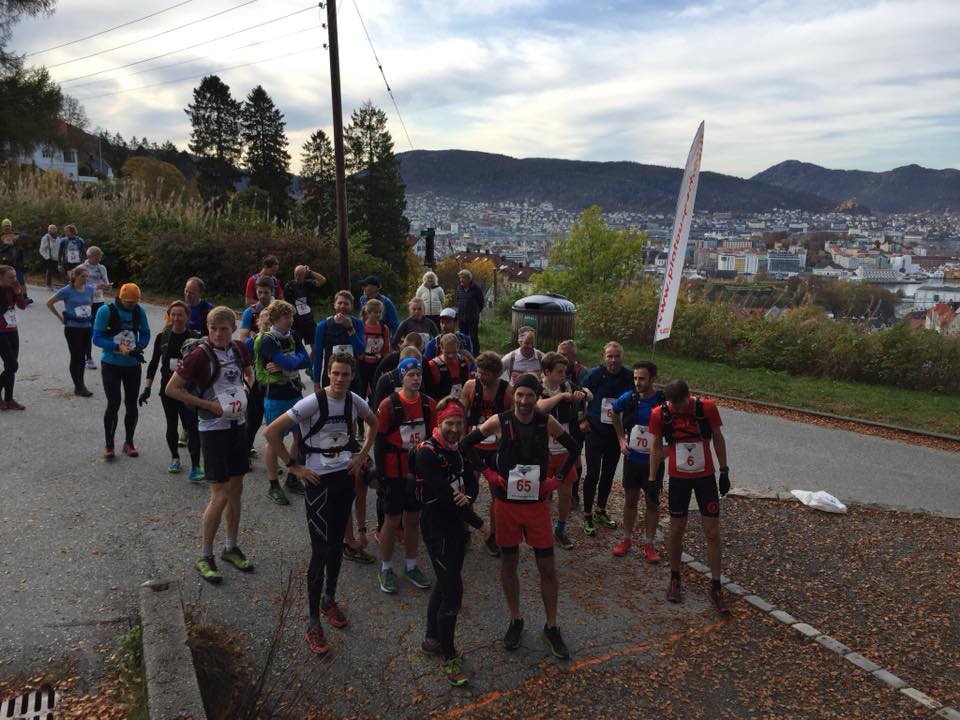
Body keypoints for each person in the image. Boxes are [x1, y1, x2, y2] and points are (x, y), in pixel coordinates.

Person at [264, 352, 378, 655]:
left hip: (344, 478)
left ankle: (329, 599)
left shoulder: (354, 400)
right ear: (328, 373)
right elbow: (271, 432)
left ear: (352, 376)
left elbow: (374, 422)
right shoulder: (312, 403)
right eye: (336, 373)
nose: (340, 379)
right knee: (320, 550)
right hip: (318, 483)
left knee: (337, 544)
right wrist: (294, 467)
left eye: (346, 374)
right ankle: (313, 621)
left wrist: (362, 454)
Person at [461, 373, 580, 660]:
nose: (524, 401)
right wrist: (489, 474)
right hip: (507, 505)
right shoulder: (499, 421)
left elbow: (574, 447)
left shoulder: (545, 421)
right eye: (520, 395)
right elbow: (466, 444)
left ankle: (551, 626)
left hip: (536, 505)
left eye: (529, 396)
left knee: (547, 567)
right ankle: (515, 619)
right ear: (513, 395)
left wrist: (556, 480)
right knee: (509, 562)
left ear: (537, 398)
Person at [165, 306, 256, 585]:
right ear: (207, 328)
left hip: (237, 425)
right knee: (220, 494)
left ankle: (231, 547)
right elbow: (172, 389)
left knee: (237, 489)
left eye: (223, 329)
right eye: (213, 329)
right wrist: (208, 405)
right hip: (213, 429)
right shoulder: (198, 355)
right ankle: (205, 555)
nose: (218, 334)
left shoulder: (240, 348)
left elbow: (249, 373)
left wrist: (246, 390)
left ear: (233, 329)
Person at [415, 397, 487, 686]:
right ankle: (447, 654)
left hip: (456, 526)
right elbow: (445, 497)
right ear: (439, 422)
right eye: (450, 423)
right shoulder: (427, 453)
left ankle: (431, 638)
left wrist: (467, 497)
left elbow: (472, 482)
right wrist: (481, 524)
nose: (455, 429)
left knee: (446, 583)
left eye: (459, 423)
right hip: (437, 528)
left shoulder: (460, 448)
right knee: (453, 593)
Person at [648, 379, 730, 616]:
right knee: (676, 530)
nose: (678, 408)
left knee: (712, 532)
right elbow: (656, 446)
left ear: (689, 396)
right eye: (674, 405)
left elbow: (718, 437)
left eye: (681, 404)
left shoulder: (707, 408)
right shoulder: (660, 414)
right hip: (678, 479)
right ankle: (675, 578)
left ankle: (716, 585)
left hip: (705, 478)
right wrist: (652, 479)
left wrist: (724, 470)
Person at [374, 357, 435, 594]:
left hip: (417, 471)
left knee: (413, 519)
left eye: (419, 374)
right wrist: (381, 475)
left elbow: (432, 438)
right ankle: (386, 567)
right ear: (402, 377)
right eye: (411, 375)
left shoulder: (428, 404)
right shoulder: (388, 405)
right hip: (394, 472)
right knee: (391, 520)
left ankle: (411, 565)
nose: (416, 379)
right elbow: (379, 441)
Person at [255, 300, 311, 506]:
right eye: (287, 317)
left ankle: (292, 479)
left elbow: (307, 361)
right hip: (275, 395)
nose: (291, 320)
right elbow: (293, 361)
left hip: (294, 391)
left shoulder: (293, 335)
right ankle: (273, 485)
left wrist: (286, 366)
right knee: (274, 440)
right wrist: (291, 363)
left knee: (299, 435)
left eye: (292, 316)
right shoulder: (267, 340)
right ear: (276, 319)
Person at [140, 301, 204, 480]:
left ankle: (196, 466)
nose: (176, 318)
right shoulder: (163, 337)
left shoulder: (195, 338)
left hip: (189, 391)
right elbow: (154, 363)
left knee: (192, 427)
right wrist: (147, 388)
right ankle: (175, 458)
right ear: (168, 316)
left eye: (180, 315)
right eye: (173, 315)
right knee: (171, 424)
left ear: (187, 317)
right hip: (168, 389)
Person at [460, 351, 513, 557]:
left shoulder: (507, 390)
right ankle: (464, 530)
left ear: (497, 373)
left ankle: (493, 535)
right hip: (473, 446)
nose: (481, 376)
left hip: (495, 450)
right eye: (479, 371)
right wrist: (459, 441)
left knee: (497, 494)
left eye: (486, 373)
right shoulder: (470, 386)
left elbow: (512, 421)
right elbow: (461, 414)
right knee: (467, 491)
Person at [610, 361, 665, 562]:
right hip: (632, 458)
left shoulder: (662, 400)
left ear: (652, 379)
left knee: (652, 502)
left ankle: (649, 544)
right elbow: (614, 413)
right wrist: (620, 439)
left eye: (642, 378)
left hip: (653, 462)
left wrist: (668, 450)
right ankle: (626, 539)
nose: (637, 382)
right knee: (630, 500)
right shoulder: (629, 397)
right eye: (635, 378)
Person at [536, 352, 590, 551]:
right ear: (547, 372)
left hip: (563, 450)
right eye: (559, 372)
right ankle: (541, 528)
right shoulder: (537, 387)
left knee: (565, 493)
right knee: (541, 494)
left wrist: (583, 394)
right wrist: (560, 397)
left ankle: (560, 528)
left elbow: (589, 394)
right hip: (542, 451)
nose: (563, 375)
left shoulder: (567, 385)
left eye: (564, 372)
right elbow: (539, 407)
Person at [580, 341, 632, 536]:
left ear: (622, 357)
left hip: (615, 434)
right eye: (610, 356)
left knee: (608, 474)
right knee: (593, 473)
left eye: (617, 356)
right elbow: (578, 395)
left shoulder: (628, 376)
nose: (613, 360)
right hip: (595, 431)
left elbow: (635, 400)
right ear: (604, 357)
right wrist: (582, 419)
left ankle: (600, 510)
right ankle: (587, 514)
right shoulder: (595, 374)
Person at [93, 283, 151, 458]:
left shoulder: (139, 311)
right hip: (111, 363)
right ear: (120, 298)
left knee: (131, 404)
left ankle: (129, 442)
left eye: (135, 302)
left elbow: (146, 333)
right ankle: (109, 445)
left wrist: (139, 346)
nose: (132, 305)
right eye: (129, 302)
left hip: (132, 365)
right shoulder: (105, 311)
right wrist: (117, 346)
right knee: (114, 403)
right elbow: (97, 338)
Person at [46, 265, 95, 397]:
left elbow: (90, 302)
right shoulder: (67, 290)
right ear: (75, 276)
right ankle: (78, 386)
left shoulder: (90, 289)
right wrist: (61, 318)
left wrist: (86, 314)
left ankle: (81, 383)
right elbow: (49, 303)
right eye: (83, 276)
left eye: (87, 277)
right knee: (76, 356)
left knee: (83, 356)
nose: (85, 279)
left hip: (86, 326)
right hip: (73, 328)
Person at [240, 276, 275, 455]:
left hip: (274, 380)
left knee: (269, 418)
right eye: (259, 292)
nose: (262, 296)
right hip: (255, 379)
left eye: (266, 292)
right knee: (252, 417)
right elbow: (243, 341)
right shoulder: (251, 312)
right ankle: (244, 450)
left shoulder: (279, 309)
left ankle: (271, 452)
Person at [312, 291, 365, 390]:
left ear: (351, 306)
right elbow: (318, 355)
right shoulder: (323, 326)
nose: (342, 306)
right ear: (334, 305)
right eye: (340, 303)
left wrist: (349, 328)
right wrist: (316, 382)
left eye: (346, 303)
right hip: (331, 377)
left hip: (352, 377)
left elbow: (360, 351)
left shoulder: (358, 324)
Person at [557, 339, 588, 508]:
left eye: (563, 354)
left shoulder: (581, 372)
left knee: (574, 456)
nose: (560, 357)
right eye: (558, 353)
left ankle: (574, 493)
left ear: (573, 355)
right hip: (557, 419)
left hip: (575, 420)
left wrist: (582, 420)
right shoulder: (553, 366)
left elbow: (583, 398)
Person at [79, 246, 111, 370]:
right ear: (89, 256)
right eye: (96, 256)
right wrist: (95, 287)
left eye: (100, 256)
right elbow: (77, 286)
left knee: (100, 329)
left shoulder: (102, 268)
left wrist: (107, 286)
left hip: (99, 301)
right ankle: (88, 358)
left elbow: (106, 283)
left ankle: (109, 355)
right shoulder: (81, 268)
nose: (99, 258)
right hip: (86, 302)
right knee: (87, 330)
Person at [0, 265, 28, 410]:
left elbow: (22, 306)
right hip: (0, 331)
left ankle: (9, 398)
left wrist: (18, 292)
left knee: (11, 366)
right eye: (10, 277)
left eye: (15, 276)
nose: (14, 279)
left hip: (12, 328)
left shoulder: (12, 288)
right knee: (12, 365)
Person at [283, 264, 326, 348]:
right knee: (296, 347)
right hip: (296, 321)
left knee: (315, 347)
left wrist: (310, 272)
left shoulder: (307, 283)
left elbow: (322, 280)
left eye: (300, 275)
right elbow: (285, 302)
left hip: (308, 320)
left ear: (304, 275)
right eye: (296, 274)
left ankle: (311, 358)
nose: (297, 277)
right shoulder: (289, 286)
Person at [423, 333, 472, 402]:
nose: (451, 356)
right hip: (441, 405)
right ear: (441, 348)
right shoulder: (433, 365)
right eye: (447, 353)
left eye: (454, 352)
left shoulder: (464, 362)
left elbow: (468, 386)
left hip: (461, 403)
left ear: (458, 348)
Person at [358, 298, 390, 401]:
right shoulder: (361, 326)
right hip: (362, 364)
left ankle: (374, 408)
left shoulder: (384, 328)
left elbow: (386, 348)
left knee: (376, 391)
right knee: (361, 391)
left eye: (380, 312)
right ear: (368, 312)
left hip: (377, 364)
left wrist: (385, 363)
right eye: (375, 312)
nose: (378, 315)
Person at [454, 269, 484, 357]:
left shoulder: (476, 288)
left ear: (469, 278)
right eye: (460, 278)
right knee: (463, 337)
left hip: (472, 318)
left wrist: (476, 312)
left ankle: (475, 355)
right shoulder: (459, 288)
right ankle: (465, 354)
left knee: (473, 337)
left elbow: (481, 302)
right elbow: (456, 300)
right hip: (462, 318)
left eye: (463, 278)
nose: (461, 280)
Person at [0, 220, 29, 305]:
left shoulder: (16, 234)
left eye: (8, 226)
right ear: (2, 227)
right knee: (6, 280)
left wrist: (16, 238)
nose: (7, 227)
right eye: (5, 226)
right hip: (5, 261)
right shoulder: (1, 236)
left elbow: (26, 235)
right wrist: (4, 245)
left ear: (11, 226)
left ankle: (25, 296)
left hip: (17, 261)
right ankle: (8, 296)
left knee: (20, 279)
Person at [38, 224, 59, 289]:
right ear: (48, 230)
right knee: (49, 271)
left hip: (57, 258)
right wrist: (47, 257)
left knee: (59, 271)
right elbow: (41, 249)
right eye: (51, 228)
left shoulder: (58, 238)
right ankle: (49, 285)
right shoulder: (45, 238)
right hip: (50, 258)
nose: (52, 229)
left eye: (54, 228)